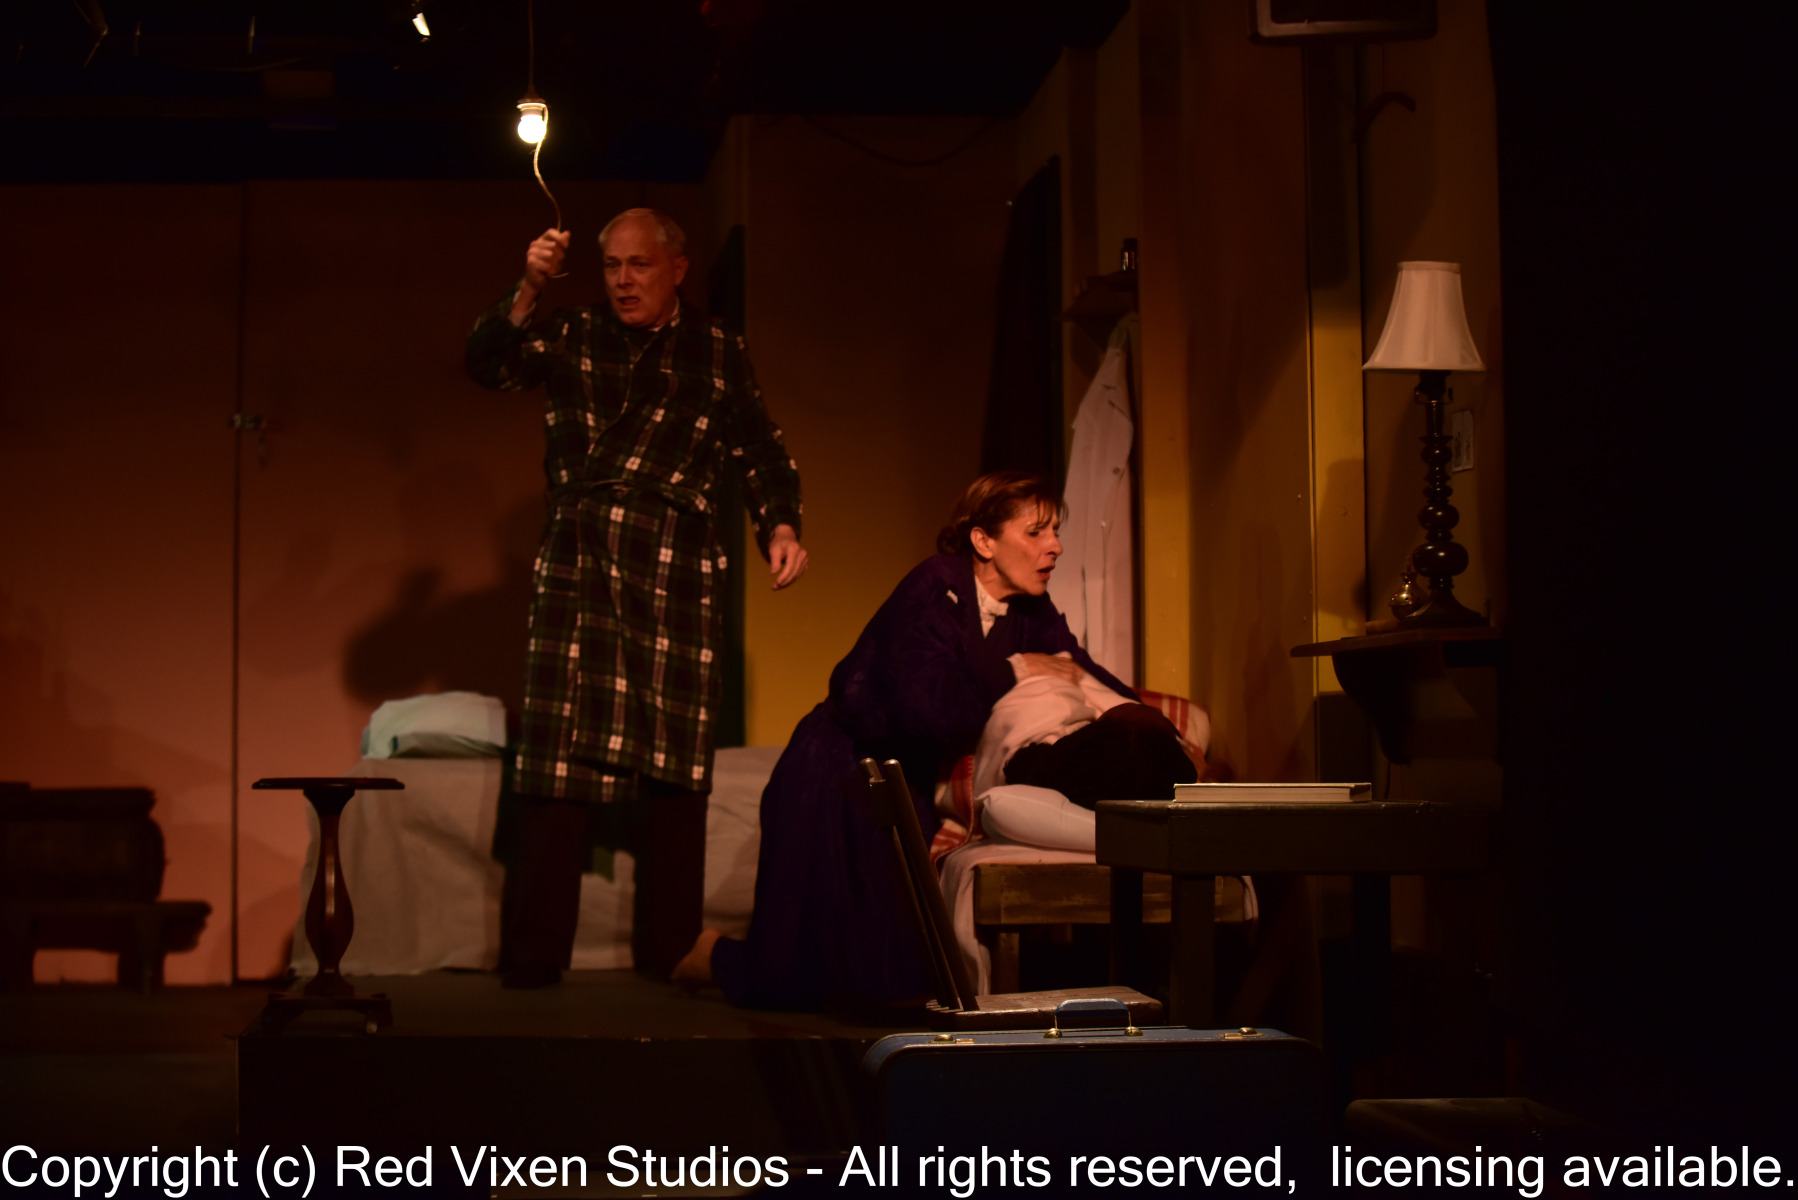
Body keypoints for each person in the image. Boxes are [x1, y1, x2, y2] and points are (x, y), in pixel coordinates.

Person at [672, 471, 1192, 1010]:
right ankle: (711, 956)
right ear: (983, 541)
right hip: (837, 768)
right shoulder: (934, 584)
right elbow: (927, 707)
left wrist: (1157, 731)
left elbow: (1081, 671)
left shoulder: (1031, 612)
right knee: (810, 962)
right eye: (1036, 532)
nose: (1055, 546)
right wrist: (1015, 670)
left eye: (1055, 531)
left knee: (891, 970)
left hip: (905, 776)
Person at [466, 208, 807, 988]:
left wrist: (780, 524)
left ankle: (671, 949)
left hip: (677, 561)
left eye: (639, 265)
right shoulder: (574, 333)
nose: (623, 281)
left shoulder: (716, 350)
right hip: (580, 557)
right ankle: (534, 958)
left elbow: (759, 445)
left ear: (676, 269)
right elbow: (488, 363)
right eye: (612, 266)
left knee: (675, 763)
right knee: (558, 758)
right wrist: (529, 285)